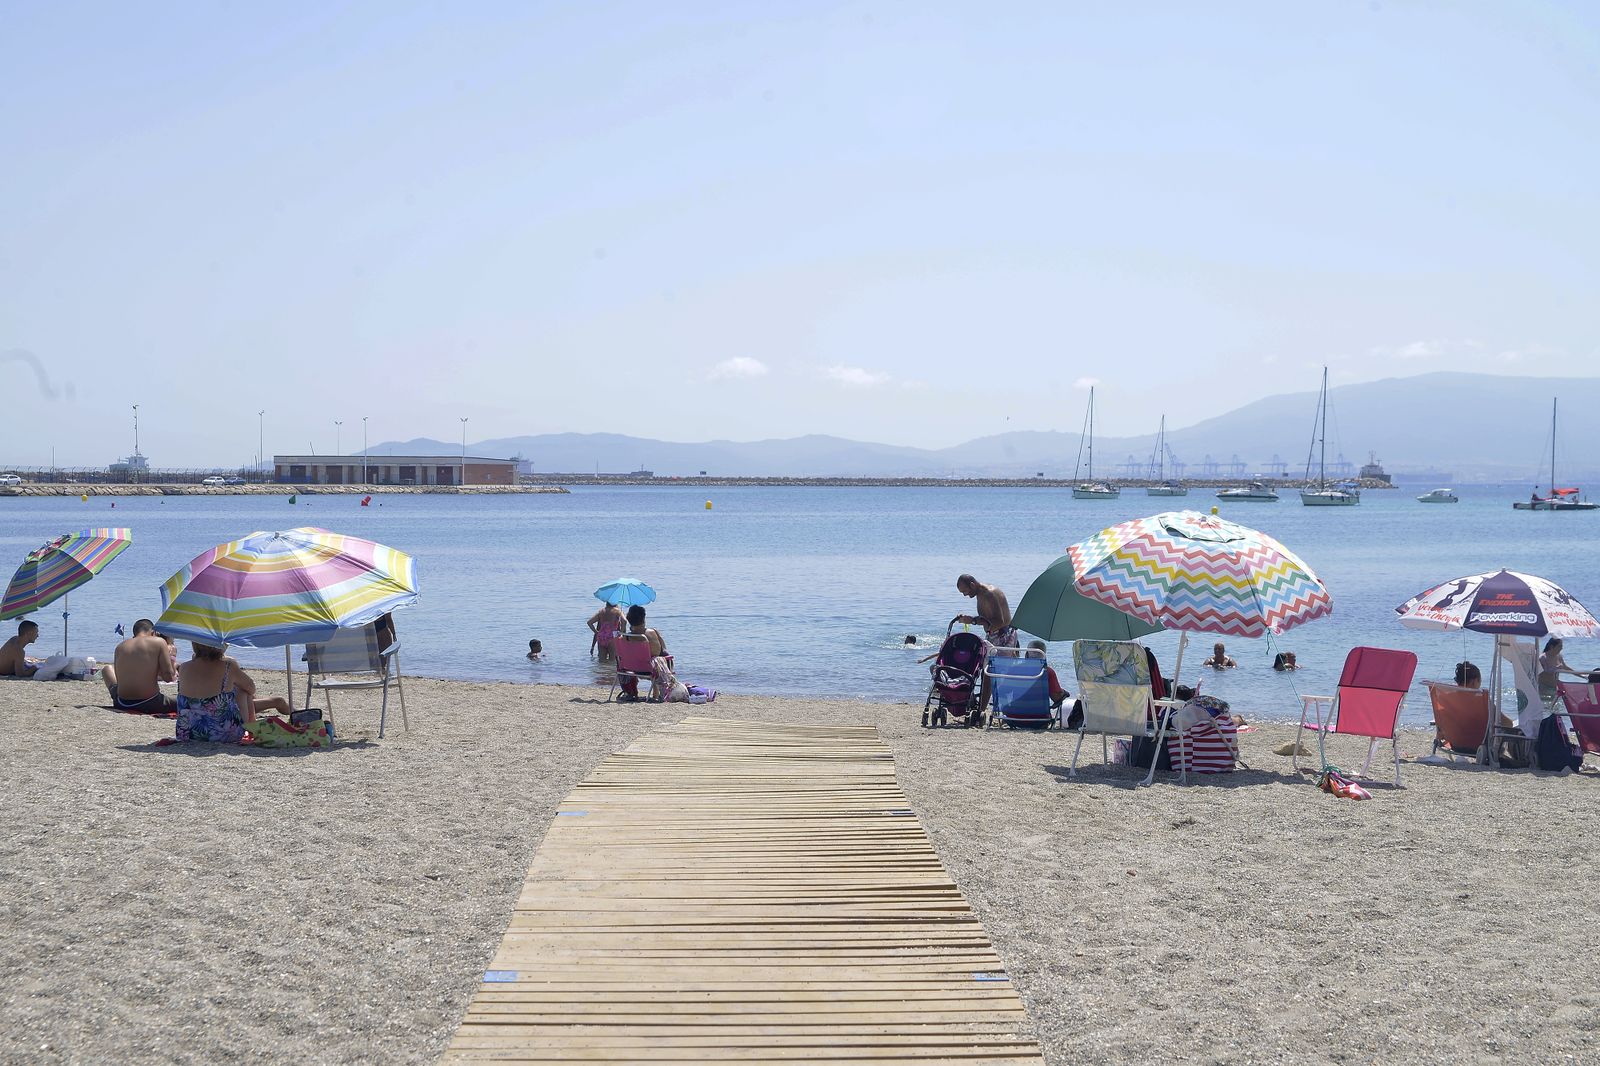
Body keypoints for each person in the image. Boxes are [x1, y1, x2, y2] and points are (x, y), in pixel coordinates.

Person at [175, 641, 286, 742]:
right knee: (243, 691)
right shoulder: (228, 666)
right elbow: (251, 688)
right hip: (222, 734)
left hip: (186, 732)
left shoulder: (184, 667)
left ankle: (252, 726)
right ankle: (251, 726)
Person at [100, 618, 177, 713]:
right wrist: (172, 659)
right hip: (149, 702)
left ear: (134, 633)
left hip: (122, 702)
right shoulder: (159, 642)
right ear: (153, 632)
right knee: (182, 701)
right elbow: (168, 677)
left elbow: (120, 678)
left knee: (107, 669)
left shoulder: (120, 646)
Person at [618, 605, 669, 700]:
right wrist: (660, 637)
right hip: (650, 669)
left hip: (630, 668)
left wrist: (623, 625)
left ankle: (631, 691)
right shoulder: (652, 632)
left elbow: (621, 651)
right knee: (663, 655)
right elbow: (658, 651)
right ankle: (658, 690)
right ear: (643, 618)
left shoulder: (625, 637)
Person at [954, 574, 1016, 649]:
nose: (964, 595)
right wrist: (966, 619)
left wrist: (973, 621)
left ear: (972, 585)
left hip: (1003, 637)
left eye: (965, 591)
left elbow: (999, 622)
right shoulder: (980, 593)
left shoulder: (988, 594)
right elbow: (986, 618)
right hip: (996, 635)